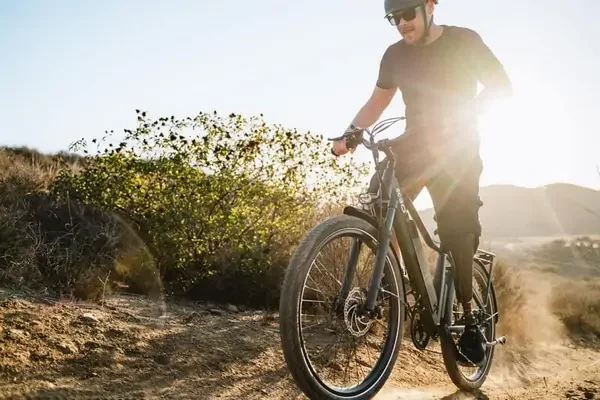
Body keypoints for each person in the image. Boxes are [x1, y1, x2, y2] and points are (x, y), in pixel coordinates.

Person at [331, 0, 512, 367]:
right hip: (414, 145)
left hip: (457, 149)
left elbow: (501, 87)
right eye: (393, 18)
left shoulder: (464, 41)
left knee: (457, 230)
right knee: (379, 198)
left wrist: (463, 116)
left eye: (407, 14)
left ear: (430, 6)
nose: (401, 24)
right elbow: (377, 102)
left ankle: (468, 318)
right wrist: (350, 135)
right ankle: (390, 282)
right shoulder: (395, 56)